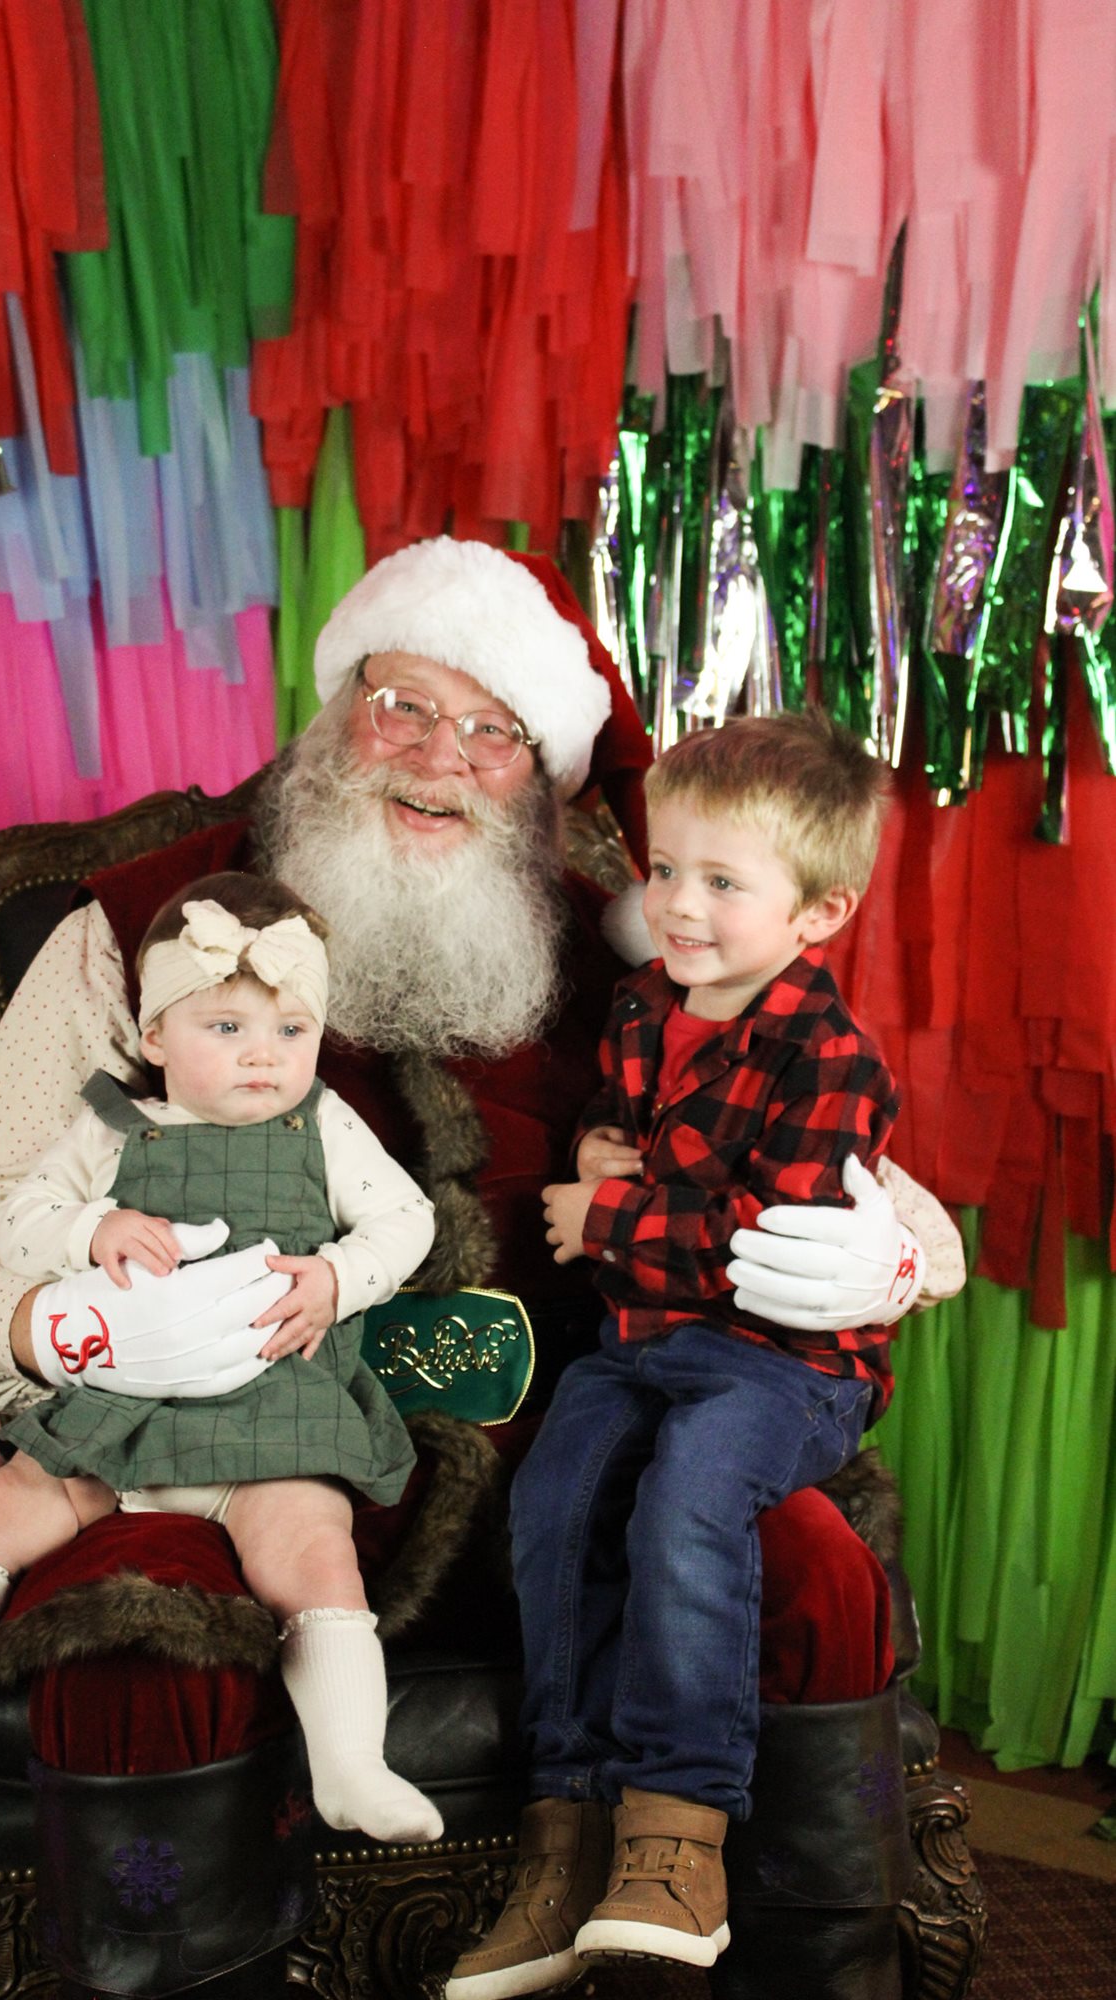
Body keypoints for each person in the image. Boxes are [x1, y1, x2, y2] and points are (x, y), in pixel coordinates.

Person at [0, 538, 962, 1987]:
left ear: (539, 777)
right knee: (135, 1654)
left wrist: (892, 1255)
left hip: (574, 1464)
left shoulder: (631, 950)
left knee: (810, 1568)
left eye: (494, 730)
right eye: (404, 706)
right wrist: (81, 1328)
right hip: (229, 1457)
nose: (443, 759)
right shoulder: (139, 926)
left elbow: (889, 1189)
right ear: (337, 713)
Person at [0, 875, 442, 1846]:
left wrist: (340, 1278)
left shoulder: (324, 1123)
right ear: (153, 1037)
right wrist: (90, 1229)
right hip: (126, 1410)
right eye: (226, 1027)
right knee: (3, 1505)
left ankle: (350, 1764)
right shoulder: (110, 1123)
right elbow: (19, 1218)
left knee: (314, 1553)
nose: (263, 1053)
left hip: (277, 1411)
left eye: (291, 1030)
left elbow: (407, 1219)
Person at [446, 711, 911, 2000]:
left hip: (784, 1362)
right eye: (664, 869)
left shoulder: (832, 1056)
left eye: (721, 880)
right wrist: (598, 1145)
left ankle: (676, 1832)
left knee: (692, 1489)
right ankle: (565, 1828)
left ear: (820, 911)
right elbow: (623, 1118)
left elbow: (761, 1235)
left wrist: (603, 1214)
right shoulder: (645, 1003)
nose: (678, 904)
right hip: (642, 1338)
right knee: (552, 1491)